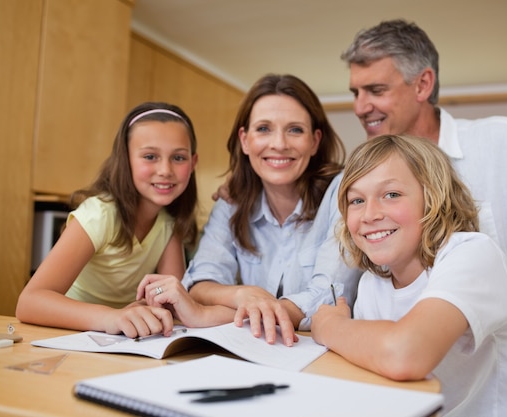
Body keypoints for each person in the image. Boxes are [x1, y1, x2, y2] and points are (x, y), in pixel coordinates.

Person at [338, 19, 507, 416]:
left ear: (423, 85)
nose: (360, 106)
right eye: (355, 92)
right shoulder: (374, 281)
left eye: (376, 90)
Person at [311, 134, 507, 416]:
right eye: (356, 200)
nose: (369, 214)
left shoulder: (474, 255)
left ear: (433, 198)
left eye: (391, 194)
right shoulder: (372, 284)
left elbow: (405, 354)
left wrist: (328, 325)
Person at [143, 74, 354, 347]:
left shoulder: (346, 194)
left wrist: (221, 312)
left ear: (314, 141)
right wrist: (244, 295)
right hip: (259, 350)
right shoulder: (231, 203)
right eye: (264, 129)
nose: (278, 143)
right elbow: (202, 280)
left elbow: (330, 293)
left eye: (295, 130)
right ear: (244, 140)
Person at [16, 101, 217, 337]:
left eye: (179, 158)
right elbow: (29, 302)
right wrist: (113, 316)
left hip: (119, 340)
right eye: (150, 156)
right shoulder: (99, 215)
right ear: (126, 159)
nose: (165, 169)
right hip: (67, 335)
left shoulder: (168, 224)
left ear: (193, 163)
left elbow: (172, 301)